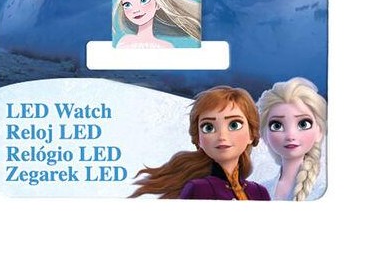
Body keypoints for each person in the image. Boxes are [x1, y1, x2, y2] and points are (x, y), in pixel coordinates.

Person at [130, 86, 270, 199]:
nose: (222, 136)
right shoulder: (199, 188)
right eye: (208, 127)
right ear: (198, 140)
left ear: (251, 134)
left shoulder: (259, 192)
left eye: (234, 125)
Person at [256, 77, 327, 201]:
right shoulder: (260, 190)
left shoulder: (323, 190)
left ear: (319, 131)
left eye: (303, 124)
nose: (290, 136)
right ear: (264, 134)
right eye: (277, 126)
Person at [113, 0, 201, 49]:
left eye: (144, 0)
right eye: (127, 4)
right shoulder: (125, 42)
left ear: (158, 3)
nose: (136, 10)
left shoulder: (166, 47)